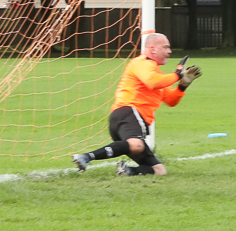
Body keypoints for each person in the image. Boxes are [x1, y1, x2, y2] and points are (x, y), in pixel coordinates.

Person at [72, 33, 200, 176]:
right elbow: (153, 82)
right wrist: (177, 75)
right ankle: (86, 157)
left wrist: (183, 85)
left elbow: (171, 100)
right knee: (137, 145)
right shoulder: (142, 63)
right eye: (165, 47)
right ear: (153, 49)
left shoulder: (156, 73)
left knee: (159, 170)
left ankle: (127, 171)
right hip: (129, 113)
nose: (169, 51)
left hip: (127, 119)